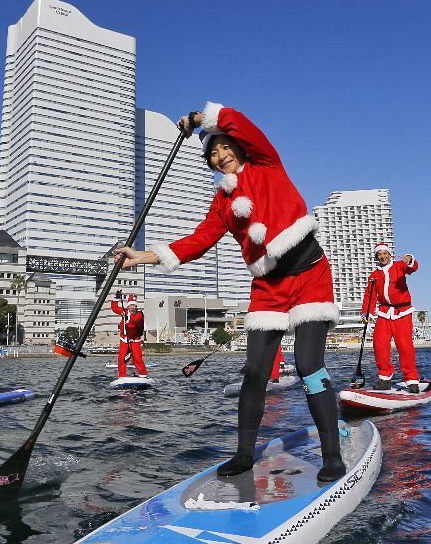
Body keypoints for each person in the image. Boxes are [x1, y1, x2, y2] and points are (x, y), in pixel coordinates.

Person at [116, 102, 345, 482]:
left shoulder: (266, 163)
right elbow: (199, 240)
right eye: (211, 153)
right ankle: (243, 455)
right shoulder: (222, 203)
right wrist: (144, 256)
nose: (220, 156)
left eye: (224, 147)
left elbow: (237, 120)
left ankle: (332, 455)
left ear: (238, 146)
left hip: (309, 276)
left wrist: (196, 118)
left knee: (308, 366)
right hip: (268, 287)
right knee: (254, 371)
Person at [361, 243, 423, 391]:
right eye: (379, 254)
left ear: (390, 254)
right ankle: (384, 379)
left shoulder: (399, 266)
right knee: (379, 344)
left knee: (405, 347)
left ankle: (412, 380)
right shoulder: (374, 276)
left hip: (402, 313)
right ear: (377, 257)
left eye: (385, 253)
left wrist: (410, 259)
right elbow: (370, 296)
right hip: (384, 313)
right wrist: (367, 313)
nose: (382, 257)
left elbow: (412, 268)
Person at [110, 292, 148, 378]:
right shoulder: (124, 312)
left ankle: (143, 374)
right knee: (121, 358)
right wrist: (116, 298)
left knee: (137, 358)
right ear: (128, 306)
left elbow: (135, 321)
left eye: (134, 306)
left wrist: (129, 318)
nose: (132, 308)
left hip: (135, 339)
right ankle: (122, 375)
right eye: (131, 306)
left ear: (136, 307)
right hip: (124, 339)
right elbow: (114, 308)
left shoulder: (139, 314)